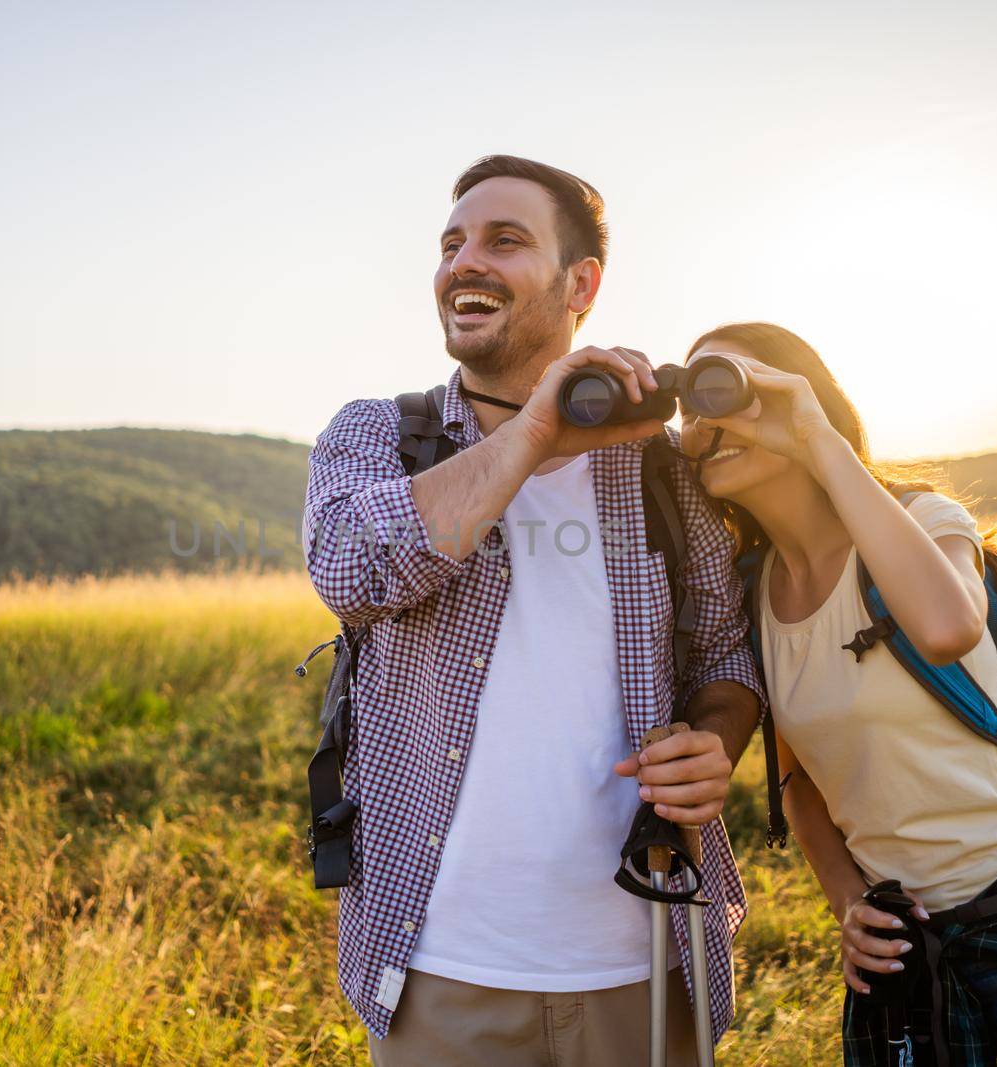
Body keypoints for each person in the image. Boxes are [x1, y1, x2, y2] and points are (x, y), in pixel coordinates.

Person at [301, 156, 766, 1065]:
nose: (463, 263)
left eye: (504, 241)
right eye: (451, 244)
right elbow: (353, 572)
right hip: (438, 972)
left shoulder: (664, 469)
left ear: (580, 283)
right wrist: (537, 432)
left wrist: (717, 741)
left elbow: (725, 655)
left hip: (646, 964)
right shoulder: (376, 436)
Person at [679, 321, 997, 1065]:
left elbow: (948, 627)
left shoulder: (923, 520)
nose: (709, 422)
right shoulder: (752, 593)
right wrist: (848, 903)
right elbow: (797, 782)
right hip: (910, 952)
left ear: (803, 404)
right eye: (693, 406)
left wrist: (821, 441)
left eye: (732, 392)